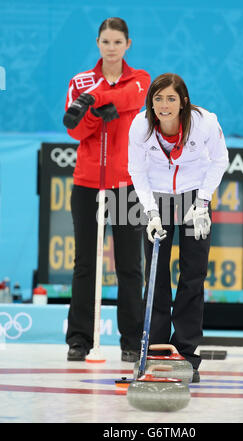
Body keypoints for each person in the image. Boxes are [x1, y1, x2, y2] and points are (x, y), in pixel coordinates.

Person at [128, 73, 229, 382]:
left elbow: (220, 161)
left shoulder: (205, 123)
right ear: (151, 102)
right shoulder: (140, 126)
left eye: (171, 98)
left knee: (193, 274)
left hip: (193, 196)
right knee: (155, 276)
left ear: (183, 100)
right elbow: (136, 169)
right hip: (156, 198)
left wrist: (201, 203)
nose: (164, 105)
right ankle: (157, 352)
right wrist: (150, 212)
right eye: (158, 99)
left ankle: (185, 353)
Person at [64, 18, 151, 362]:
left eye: (117, 42)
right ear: (97, 43)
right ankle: (79, 340)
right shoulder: (79, 80)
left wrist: (97, 100)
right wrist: (97, 114)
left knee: (129, 264)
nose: (111, 47)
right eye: (105, 41)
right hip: (88, 182)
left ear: (127, 44)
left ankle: (131, 340)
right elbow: (76, 130)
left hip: (126, 185)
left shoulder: (141, 78)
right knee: (85, 263)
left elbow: (132, 99)